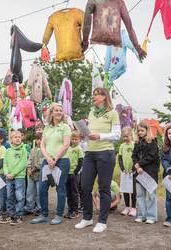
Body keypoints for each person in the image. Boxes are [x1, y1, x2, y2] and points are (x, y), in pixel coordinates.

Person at [75, 88, 121, 233]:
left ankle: (102, 221)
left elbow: (117, 135)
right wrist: (84, 133)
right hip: (89, 153)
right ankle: (87, 218)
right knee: (85, 186)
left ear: (104, 97)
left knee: (104, 188)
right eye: (93, 94)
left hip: (105, 153)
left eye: (96, 94)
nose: (93, 97)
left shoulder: (113, 113)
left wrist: (100, 136)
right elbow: (90, 132)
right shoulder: (91, 112)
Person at [31, 103, 71, 225]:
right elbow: (42, 145)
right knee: (42, 188)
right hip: (47, 162)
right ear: (51, 113)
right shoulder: (47, 127)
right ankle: (43, 214)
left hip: (62, 161)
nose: (59, 112)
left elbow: (66, 145)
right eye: (56, 110)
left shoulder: (65, 127)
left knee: (60, 188)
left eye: (61, 110)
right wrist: (48, 158)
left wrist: (55, 159)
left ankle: (59, 215)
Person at [132, 121, 159, 224]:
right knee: (139, 195)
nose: (140, 132)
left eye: (142, 130)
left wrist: (139, 164)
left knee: (151, 195)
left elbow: (151, 156)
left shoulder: (152, 142)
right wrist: (137, 166)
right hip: (139, 172)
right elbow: (133, 156)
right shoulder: (137, 143)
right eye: (138, 130)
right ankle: (141, 215)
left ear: (147, 131)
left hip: (150, 173)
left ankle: (151, 216)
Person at [1, 130, 27, 225]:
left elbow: (23, 164)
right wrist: (7, 173)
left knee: (19, 196)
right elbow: (5, 163)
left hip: (19, 177)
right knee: (9, 196)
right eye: (15, 137)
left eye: (19, 137)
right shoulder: (8, 151)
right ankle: (10, 214)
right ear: (11, 139)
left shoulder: (23, 150)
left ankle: (19, 215)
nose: (17, 139)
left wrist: (14, 174)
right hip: (9, 177)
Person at [64, 131, 83, 219]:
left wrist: (76, 171)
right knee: (68, 193)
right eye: (73, 139)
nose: (74, 141)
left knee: (74, 193)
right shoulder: (68, 148)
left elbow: (81, 161)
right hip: (67, 173)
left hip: (74, 175)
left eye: (76, 139)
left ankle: (75, 211)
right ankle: (70, 210)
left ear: (79, 140)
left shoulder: (79, 149)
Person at [118, 126, 136, 217]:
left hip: (133, 172)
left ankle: (133, 208)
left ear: (131, 135)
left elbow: (136, 158)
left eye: (127, 136)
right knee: (125, 189)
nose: (125, 138)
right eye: (123, 136)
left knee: (132, 190)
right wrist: (122, 168)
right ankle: (127, 207)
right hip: (125, 172)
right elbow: (120, 158)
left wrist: (133, 169)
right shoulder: (122, 146)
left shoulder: (134, 144)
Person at [25, 133, 43, 216]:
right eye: (38, 139)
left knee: (39, 192)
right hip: (31, 174)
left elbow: (42, 162)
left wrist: (34, 168)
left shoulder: (45, 150)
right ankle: (29, 207)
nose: (39, 141)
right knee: (30, 191)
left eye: (41, 139)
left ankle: (40, 208)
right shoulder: (33, 150)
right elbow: (29, 159)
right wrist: (28, 168)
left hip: (40, 174)